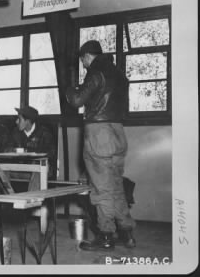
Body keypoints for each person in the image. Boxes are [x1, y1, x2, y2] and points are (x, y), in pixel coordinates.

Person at [65, 40, 136, 251]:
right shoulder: (119, 74)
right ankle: (127, 233)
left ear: (87, 56)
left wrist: (69, 87)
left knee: (100, 188)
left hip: (99, 134)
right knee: (116, 186)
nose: (83, 64)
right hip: (118, 132)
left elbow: (77, 100)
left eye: (83, 60)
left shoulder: (96, 72)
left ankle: (105, 236)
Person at [9, 106, 57, 182]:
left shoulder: (44, 133)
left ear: (28, 121)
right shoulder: (15, 132)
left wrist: (26, 151)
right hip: (20, 167)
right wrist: (13, 150)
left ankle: (33, 194)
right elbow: (7, 148)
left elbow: (51, 152)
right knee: (0, 170)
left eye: (19, 119)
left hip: (38, 167)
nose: (16, 122)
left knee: (38, 170)